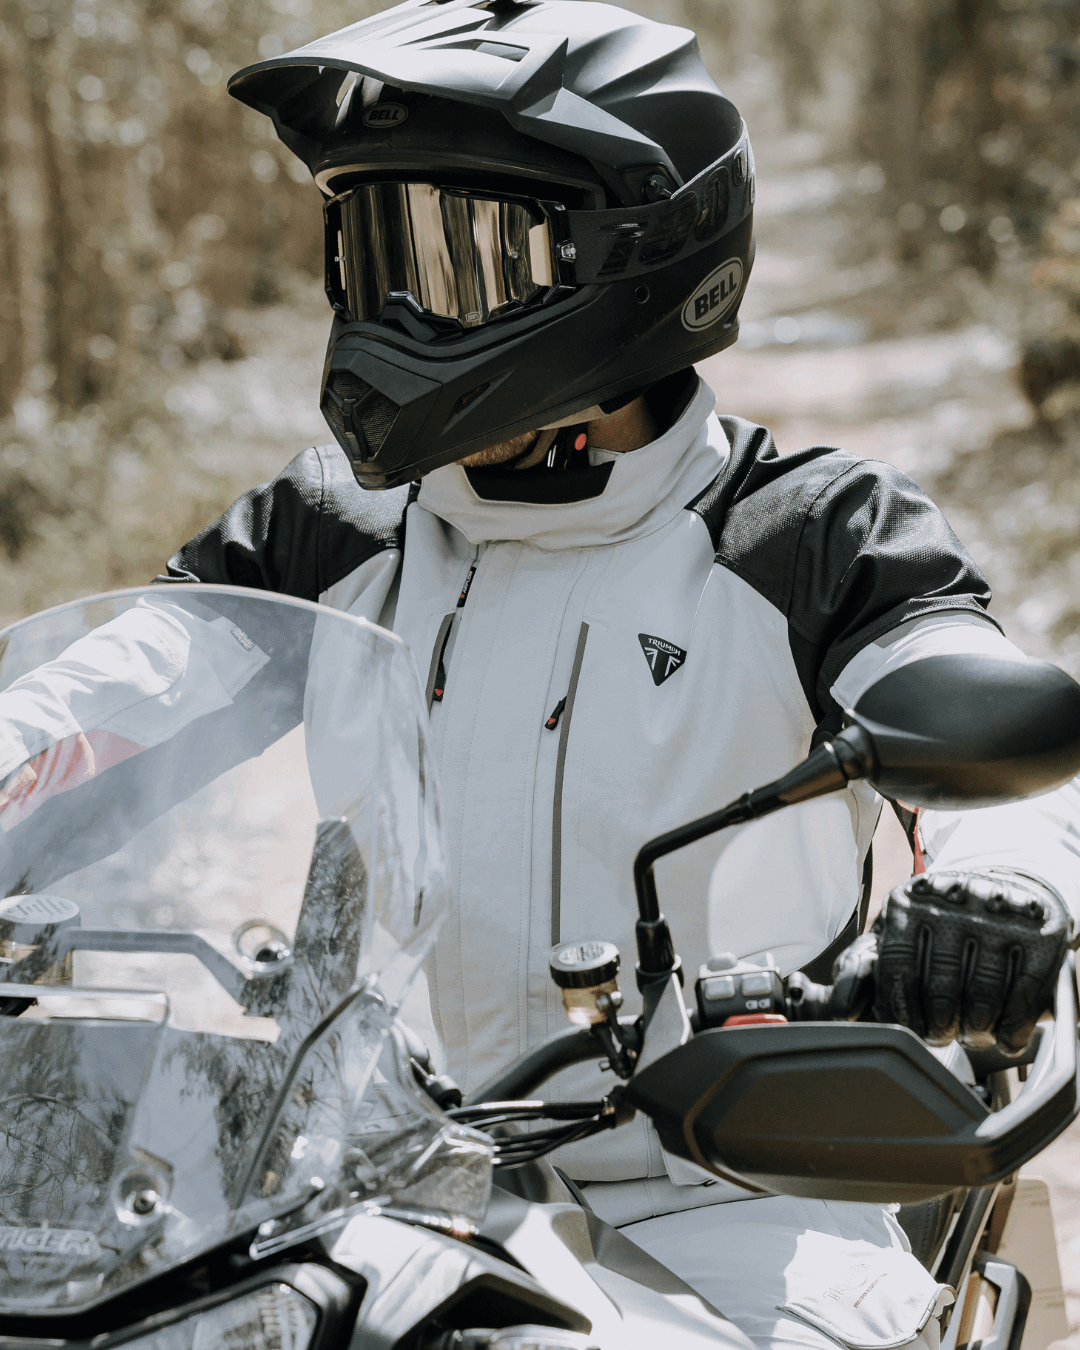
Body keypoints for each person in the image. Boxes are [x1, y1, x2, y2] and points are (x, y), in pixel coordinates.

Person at [141, 1, 1080, 1345]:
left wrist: (1010, 891)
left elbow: (987, 739)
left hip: (743, 1204)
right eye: (376, 249)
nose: (401, 307)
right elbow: (105, 698)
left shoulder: (805, 533)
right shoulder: (330, 533)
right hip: (364, 1190)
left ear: (634, 253)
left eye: (459, 255)